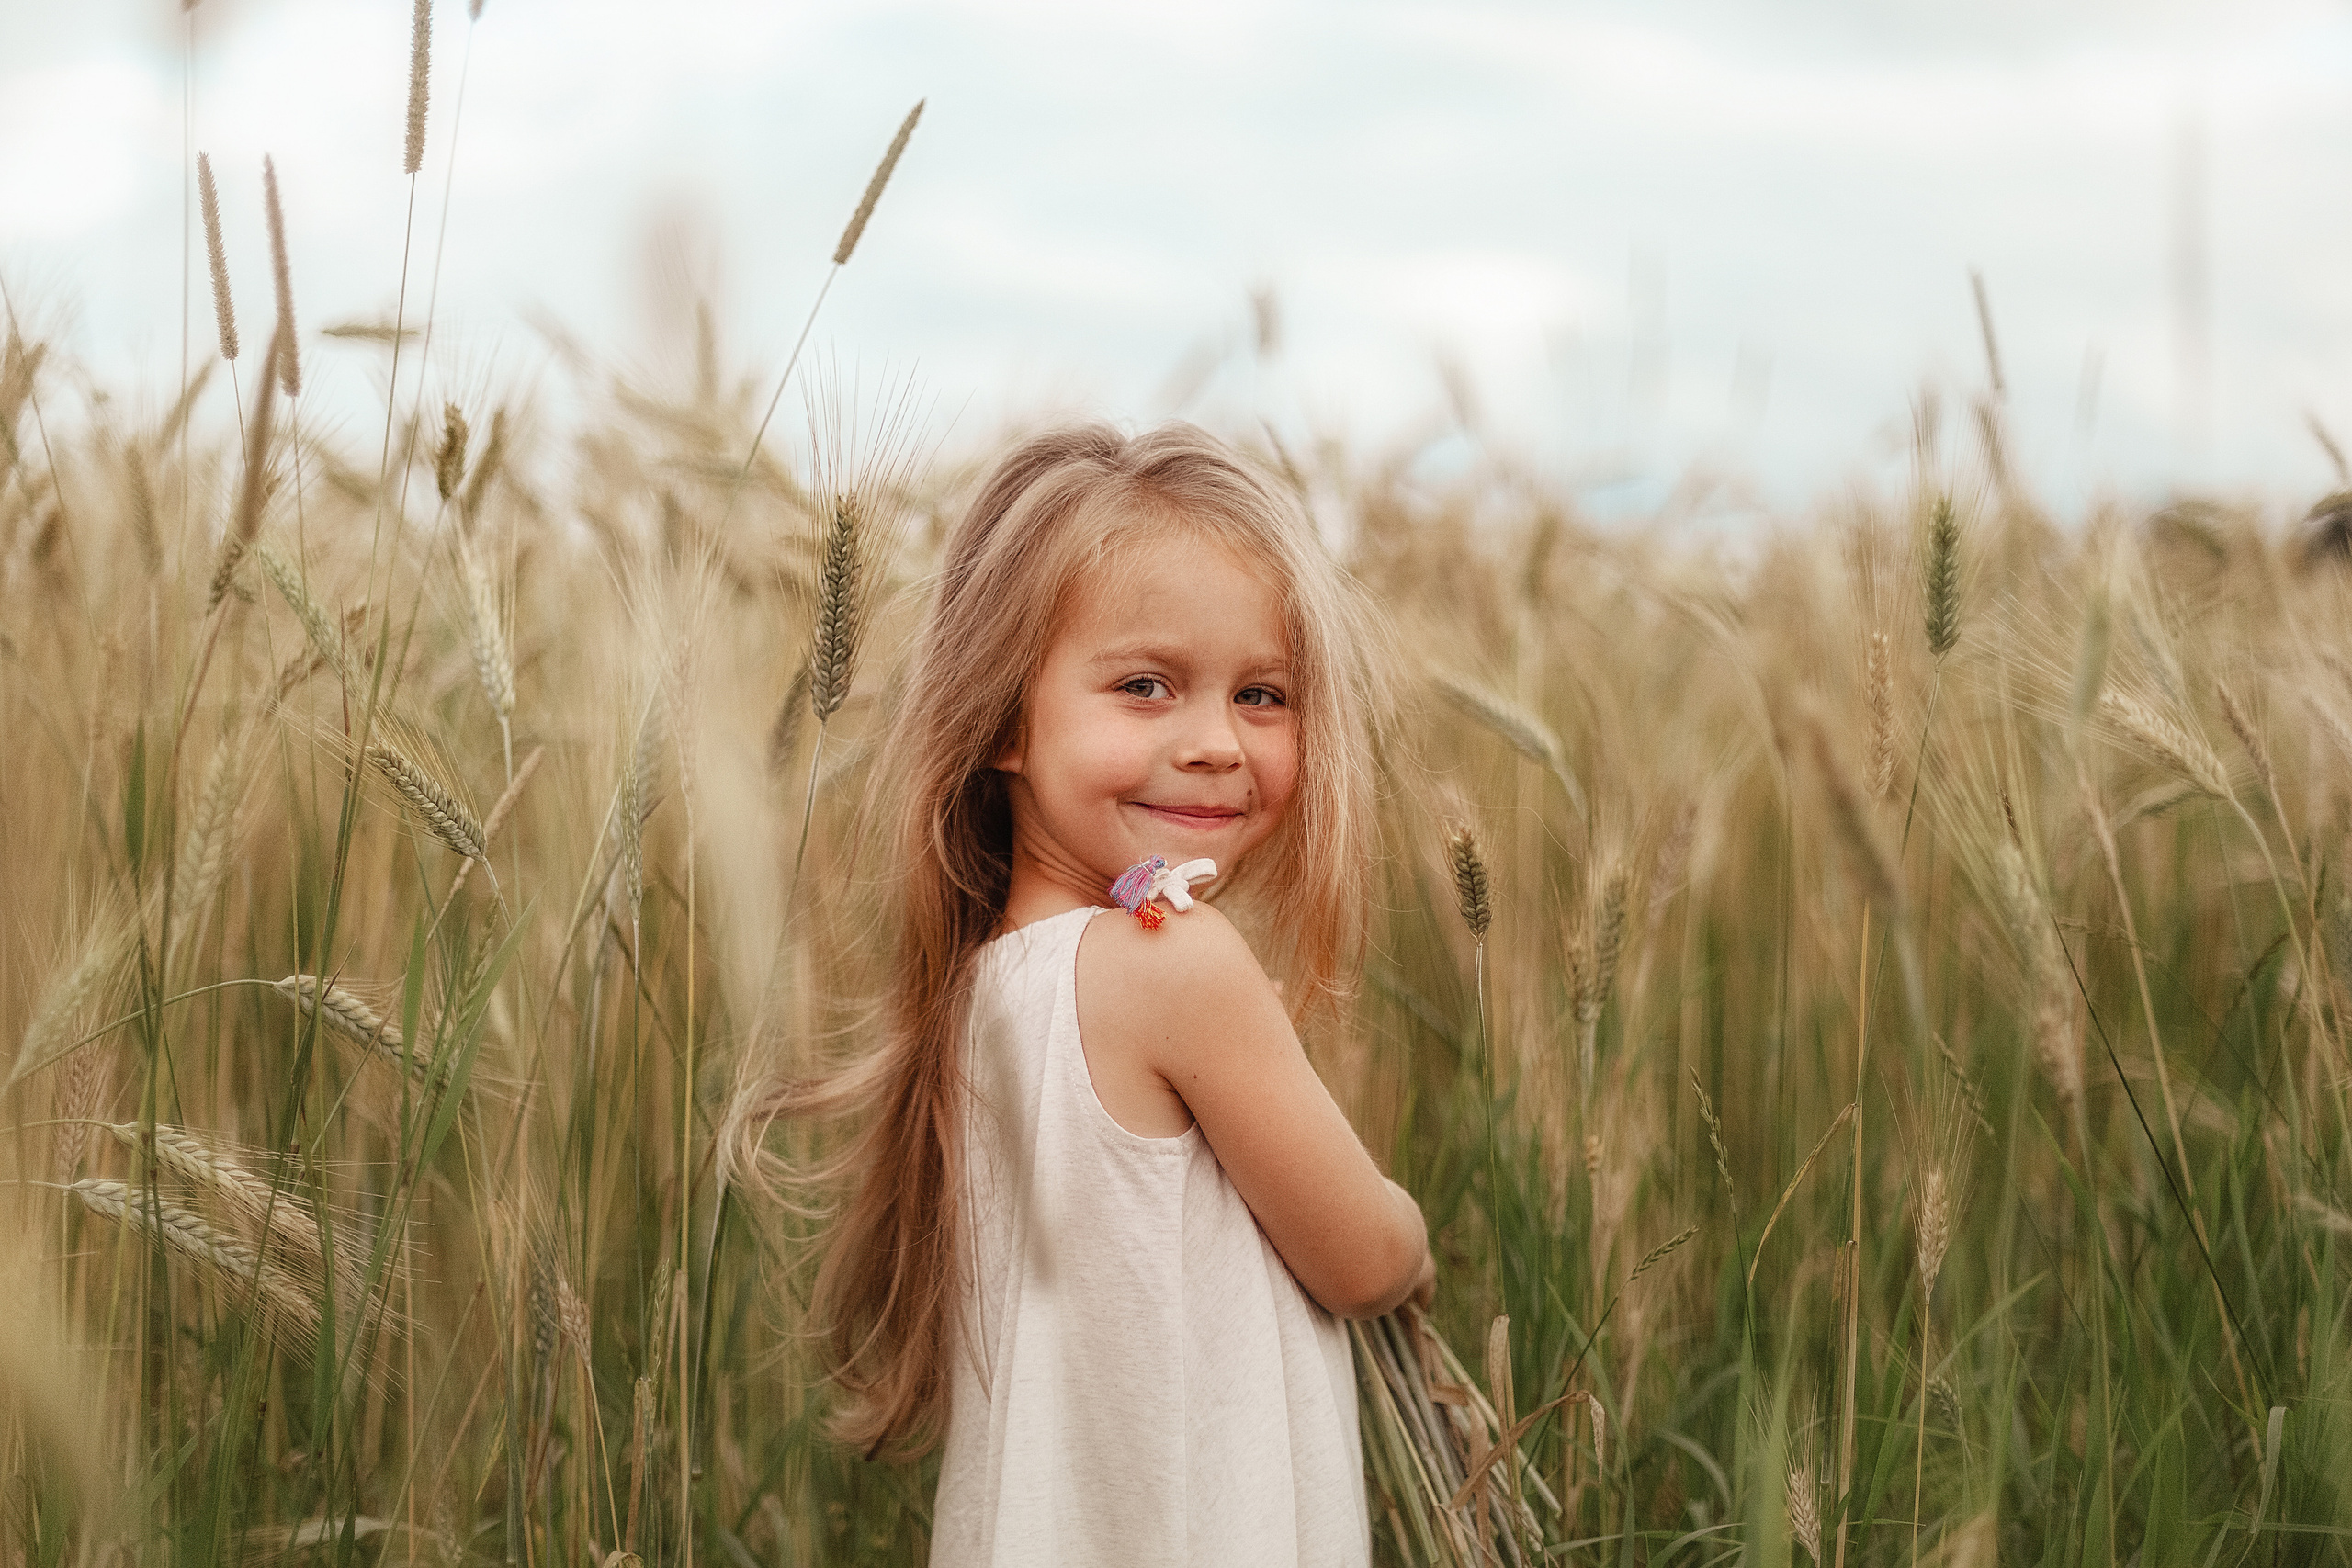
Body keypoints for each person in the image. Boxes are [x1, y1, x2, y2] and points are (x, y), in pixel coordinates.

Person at [803, 422, 1432, 1567]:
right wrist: (1414, 1238)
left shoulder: (984, 987)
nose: (1214, 743)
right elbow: (1360, 1258)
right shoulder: (1172, 963)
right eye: (1145, 686)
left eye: (1263, 695)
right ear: (1001, 715)